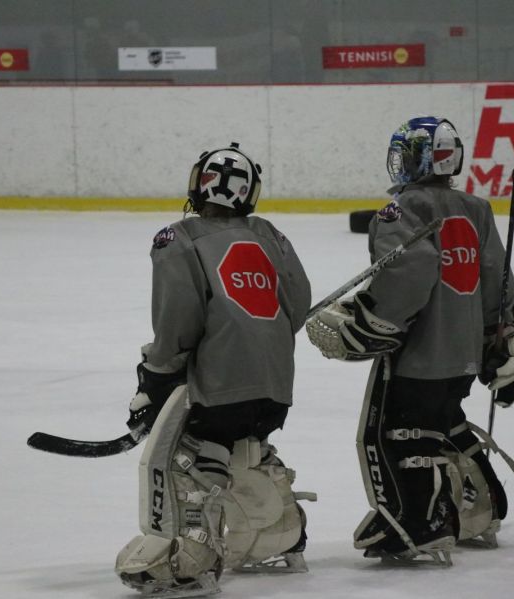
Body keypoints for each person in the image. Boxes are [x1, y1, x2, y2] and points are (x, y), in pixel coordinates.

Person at [306, 116, 514, 566]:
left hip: (420, 352)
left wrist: (369, 320)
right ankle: (483, 505)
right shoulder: (475, 207)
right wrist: (495, 340)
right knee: (444, 418)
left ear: (417, 159)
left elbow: (407, 279)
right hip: (465, 353)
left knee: (397, 431)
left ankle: (420, 523)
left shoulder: (403, 210)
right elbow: (497, 282)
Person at [115, 142, 315, 597]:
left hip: (223, 378)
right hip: (276, 380)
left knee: (192, 457)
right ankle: (279, 533)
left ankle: (193, 558)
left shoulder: (178, 238)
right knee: (246, 445)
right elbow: (297, 304)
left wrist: (159, 372)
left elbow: (177, 319)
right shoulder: (269, 233)